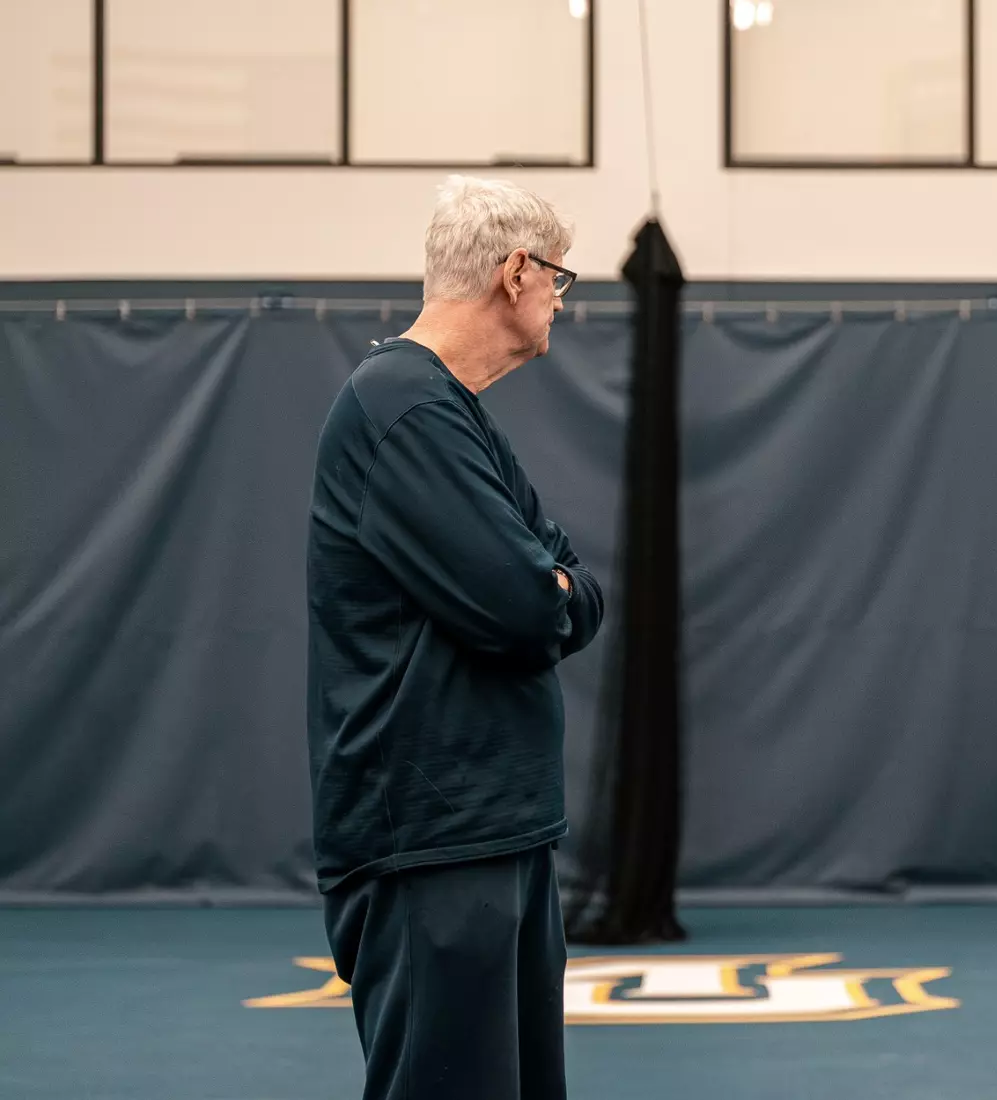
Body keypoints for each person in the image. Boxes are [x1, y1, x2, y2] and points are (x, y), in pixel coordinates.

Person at [306, 174, 604, 1100]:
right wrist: (549, 586)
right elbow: (532, 605)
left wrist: (551, 586)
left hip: (492, 832)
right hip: (432, 844)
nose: (561, 299)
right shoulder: (404, 406)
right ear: (516, 271)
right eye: (558, 276)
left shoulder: (449, 408)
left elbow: (574, 587)